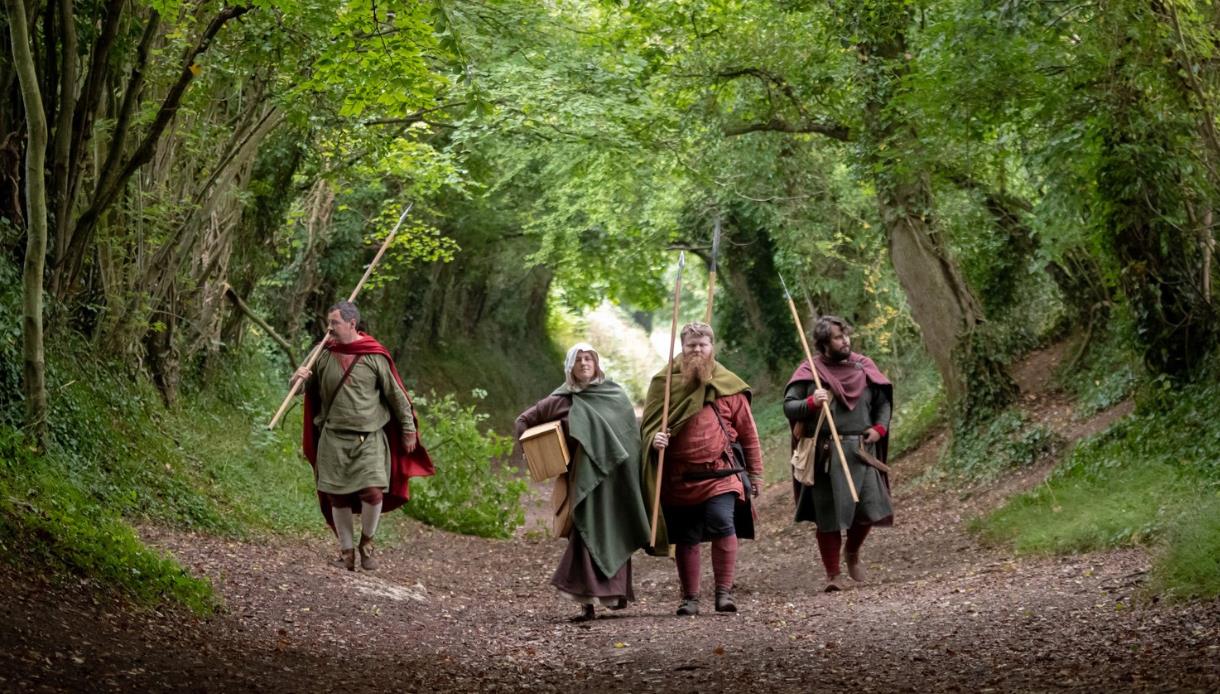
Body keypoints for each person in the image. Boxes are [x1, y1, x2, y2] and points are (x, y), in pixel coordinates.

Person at [293, 300, 434, 571]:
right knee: (338, 496)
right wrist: (297, 378)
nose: (329, 328)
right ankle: (346, 552)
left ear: (351, 323)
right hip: (332, 436)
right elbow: (300, 388)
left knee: (372, 492)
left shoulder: (373, 355)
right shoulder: (321, 353)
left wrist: (408, 429)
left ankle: (366, 542)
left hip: (368, 437)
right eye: (328, 322)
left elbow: (397, 396)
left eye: (334, 323)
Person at [515, 343, 651, 622]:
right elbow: (524, 421)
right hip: (583, 480)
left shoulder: (615, 395)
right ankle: (586, 603)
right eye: (579, 360)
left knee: (615, 529)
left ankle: (613, 595)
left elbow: (630, 437)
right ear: (570, 367)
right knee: (585, 535)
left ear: (597, 363)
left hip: (616, 481)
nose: (585, 363)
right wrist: (542, 454)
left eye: (589, 358)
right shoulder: (562, 399)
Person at [642, 322, 762, 616]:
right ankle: (690, 598)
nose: (697, 349)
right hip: (679, 476)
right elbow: (648, 428)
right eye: (690, 345)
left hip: (721, 474)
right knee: (687, 535)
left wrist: (756, 473)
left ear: (712, 347)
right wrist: (653, 439)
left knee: (722, 522)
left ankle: (724, 593)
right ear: (681, 348)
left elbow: (748, 433)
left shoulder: (728, 384)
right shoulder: (664, 384)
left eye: (702, 344)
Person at [783, 315, 893, 592]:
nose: (845, 341)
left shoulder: (863, 366)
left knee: (869, 508)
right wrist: (810, 402)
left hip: (860, 450)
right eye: (837, 337)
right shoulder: (810, 370)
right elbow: (789, 406)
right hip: (825, 453)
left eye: (846, 336)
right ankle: (833, 575)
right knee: (828, 514)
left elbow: (883, 403)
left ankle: (852, 552)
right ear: (823, 343)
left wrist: (879, 428)